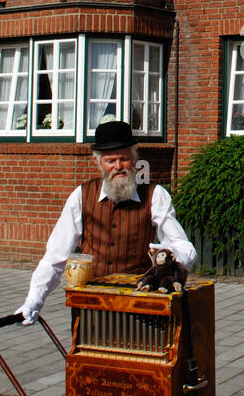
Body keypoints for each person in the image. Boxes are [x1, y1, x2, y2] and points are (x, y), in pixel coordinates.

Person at [18, 120, 196, 324]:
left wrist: (172, 258)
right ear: (99, 163)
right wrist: (33, 301)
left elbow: (182, 245)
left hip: (140, 306)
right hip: (92, 308)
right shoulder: (81, 196)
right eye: (110, 161)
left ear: (134, 159)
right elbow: (55, 257)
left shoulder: (155, 196)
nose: (118, 167)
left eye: (124, 159)